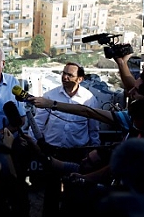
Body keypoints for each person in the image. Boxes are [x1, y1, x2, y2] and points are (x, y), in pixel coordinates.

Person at [29, 62, 101, 216]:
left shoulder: (89, 99)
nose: (65, 77)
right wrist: (34, 145)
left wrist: (95, 152)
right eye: (64, 73)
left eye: (70, 75)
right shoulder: (50, 96)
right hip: (53, 151)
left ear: (80, 79)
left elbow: (93, 128)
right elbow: (39, 123)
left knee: (74, 193)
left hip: (77, 154)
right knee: (51, 193)